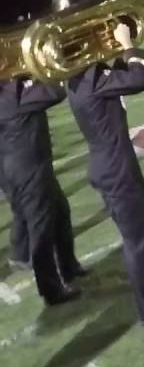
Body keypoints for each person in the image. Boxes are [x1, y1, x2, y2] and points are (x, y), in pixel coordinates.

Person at [67, 22, 144, 329]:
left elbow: (120, 80)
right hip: (117, 167)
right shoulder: (95, 79)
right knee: (137, 241)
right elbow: (141, 78)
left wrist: (119, 51)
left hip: (104, 165)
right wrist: (126, 46)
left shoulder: (78, 79)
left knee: (135, 239)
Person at [0, 75, 85, 305]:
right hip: (30, 171)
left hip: (22, 169)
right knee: (42, 231)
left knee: (61, 212)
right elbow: (56, 92)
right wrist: (38, 72)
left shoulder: (11, 92)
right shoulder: (13, 95)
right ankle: (51, 290)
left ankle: (69, 266)